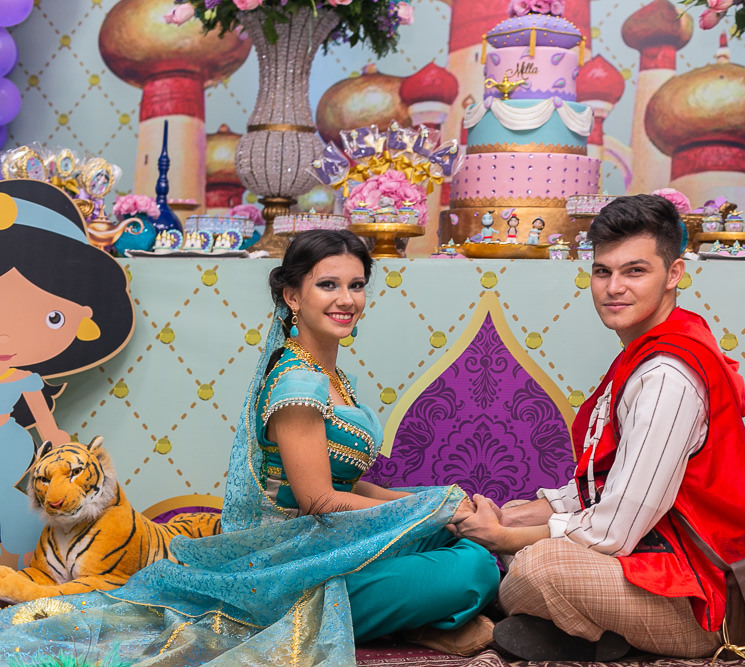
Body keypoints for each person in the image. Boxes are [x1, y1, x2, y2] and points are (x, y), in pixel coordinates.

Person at [0, 229, 499, 665]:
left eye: (356, 285)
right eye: (328, 285)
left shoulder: (332, 377)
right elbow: (320, 500)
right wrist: (427, 509)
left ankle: (414, 620)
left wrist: (432, 504)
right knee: (471, 567)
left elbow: (347, 482)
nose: (346, 299)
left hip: (329, 545)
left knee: (457, 536)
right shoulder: (297, 384)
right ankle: (405, 621)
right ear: (292, 296)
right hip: (286, 568)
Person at [450, 194, 745, 661]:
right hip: (665, 559)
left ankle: (575, 630)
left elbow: (614, 530)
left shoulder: (667, 375)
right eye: (602, 271)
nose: (614, 288)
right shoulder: (653, 347)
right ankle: (591, 635)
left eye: (635, 271)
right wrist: (513, 518)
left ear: (674, 274)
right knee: (518, 528)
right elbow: (609, 484)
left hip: (709, 601)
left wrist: (505, 538)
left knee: (537, 565)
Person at [0, 179, 134, 557]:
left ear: (85, 314)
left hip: (8, 443)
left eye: (53, 317)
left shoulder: (26, 379)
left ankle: (27, 556)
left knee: (6, 499)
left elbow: (46, 425)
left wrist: (62, 448)